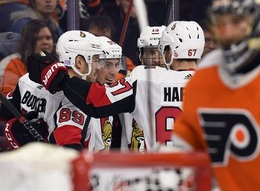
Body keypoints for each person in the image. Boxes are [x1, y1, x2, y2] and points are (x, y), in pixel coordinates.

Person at [171, 0, 260, 191]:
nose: (227, 31)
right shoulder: (204, 75)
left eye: (236, 21)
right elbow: (184, 148)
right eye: (221, 23)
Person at [27, 21, 205, 151]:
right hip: (204, 178)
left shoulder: (146, 78)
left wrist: (60, 78)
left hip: (160, 178)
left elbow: (96, 101)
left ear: (169, 52)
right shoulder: (216, 84)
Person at [120, 25, 166, 152]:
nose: (156, 59)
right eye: (151, 52)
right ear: (140, 55)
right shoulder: (131, 80)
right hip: (131, 166)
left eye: (160, 52)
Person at [0, 19, 57, 96]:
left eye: (48, 38)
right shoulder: (11, 63)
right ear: (28, 42)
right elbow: (8, 100)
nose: (45, 42)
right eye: (39, 38)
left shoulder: (60, 63)